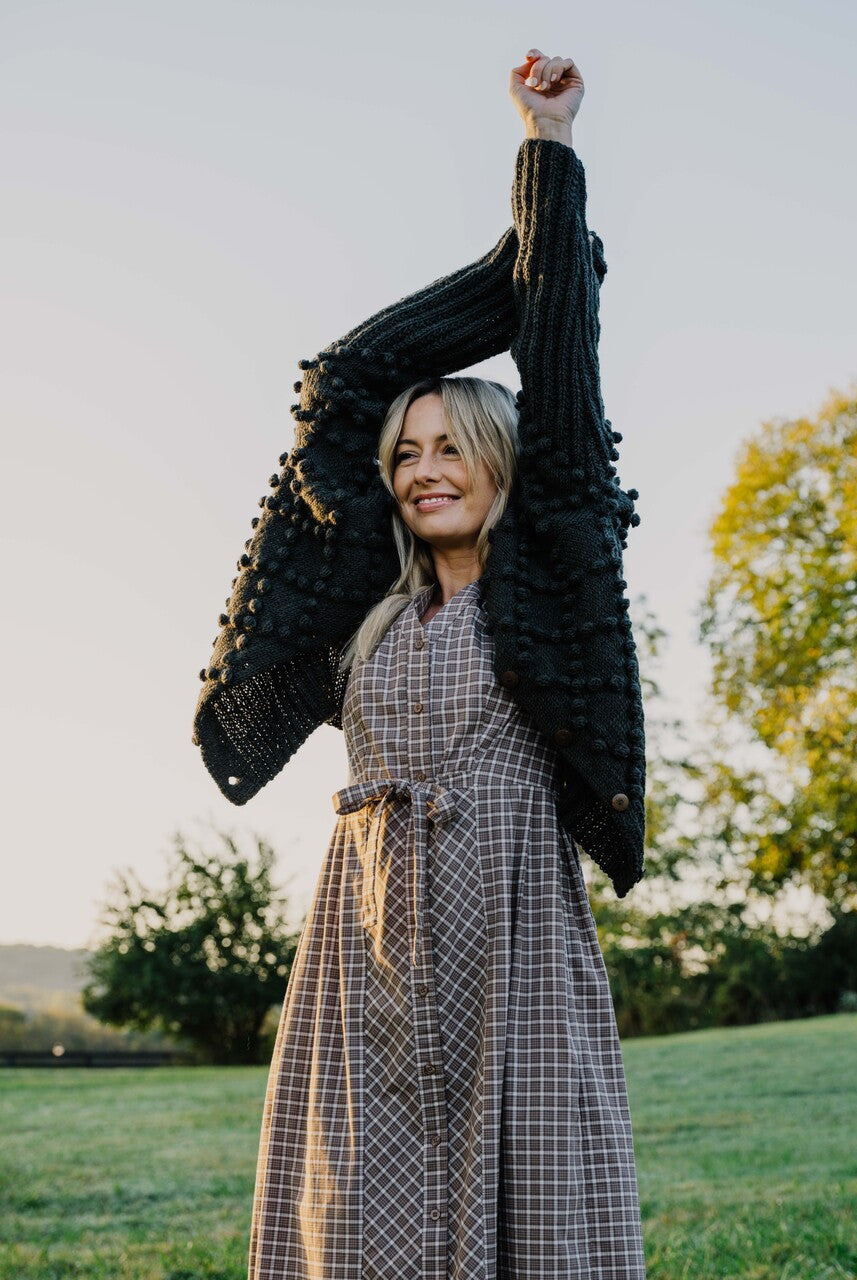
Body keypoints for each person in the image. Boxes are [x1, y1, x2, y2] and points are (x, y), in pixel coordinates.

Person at [194, 47, 647, 1280]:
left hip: (506, 910)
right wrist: (513, 264)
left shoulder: (554, 569)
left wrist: (544, 157)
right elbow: (343, 386)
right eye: (408, 453)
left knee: (529, 1172)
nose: (424, 467)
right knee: (364, 1185)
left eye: (454, 445)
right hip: (368, 920)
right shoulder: (363, 599)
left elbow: (557, 362)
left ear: (503, 463)